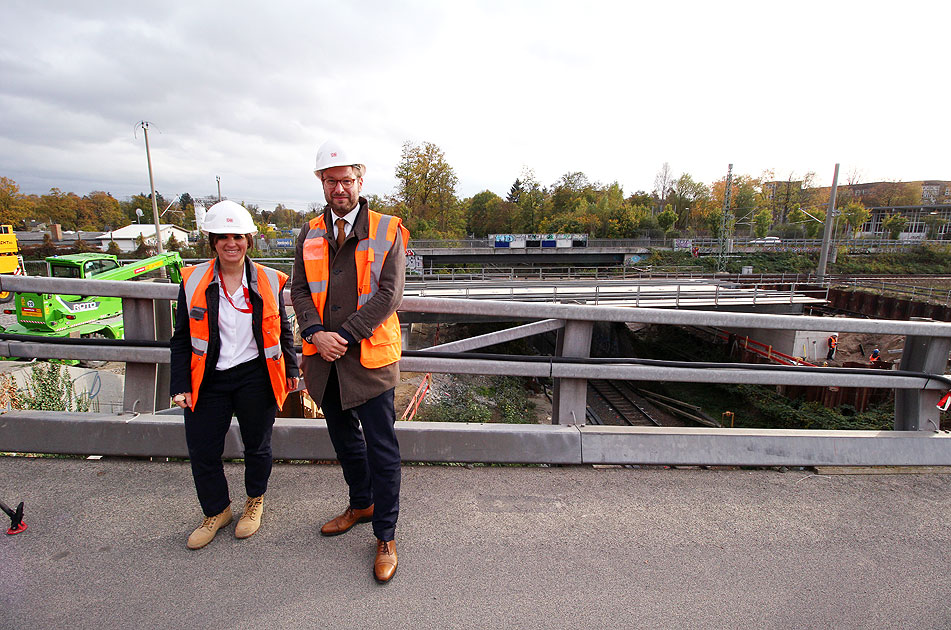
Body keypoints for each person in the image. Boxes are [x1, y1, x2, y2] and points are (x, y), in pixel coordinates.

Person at [291, 140, 408, 584]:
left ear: (360, 180)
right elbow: (299, 290)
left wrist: (343, 335)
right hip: (325, 360)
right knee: (344, 441)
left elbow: (389, 294)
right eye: (330, 180)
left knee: (382, 449)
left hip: (369, 359)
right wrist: (314, 333)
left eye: (346, 180)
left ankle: (386, 536)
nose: (339, 188)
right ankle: (362, 503)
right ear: (321, 183)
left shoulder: (387, 229)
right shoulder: (309, 232)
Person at [170, 200, 299, 550]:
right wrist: (180, 383)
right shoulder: (193, 280)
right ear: (212, 241)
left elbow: (282, 329)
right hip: (208, 378)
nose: (231, 243)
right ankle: (217, 511)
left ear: (248, 241)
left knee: (257, 446)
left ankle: (254, 500)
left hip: (255, 375)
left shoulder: (269, 280)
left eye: (238, 237)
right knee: (203, 450)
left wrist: (291, 368)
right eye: (223, 237)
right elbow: (181, 337)